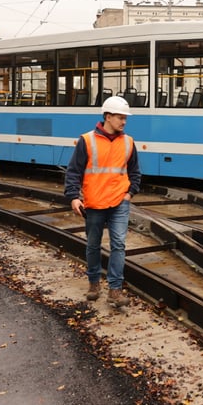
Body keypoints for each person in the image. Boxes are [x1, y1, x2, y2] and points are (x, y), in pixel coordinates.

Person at [64, 95, 141, 308]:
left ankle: (115, 290)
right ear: (107, 116)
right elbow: (73, 172)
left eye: (125, 118)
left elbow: (135, 172)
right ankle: (94, 283)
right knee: (93, 245)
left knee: (119, 245)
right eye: (120, 117)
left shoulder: (128, 142)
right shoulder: (87, 140)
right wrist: (73, 197)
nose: (124, 122)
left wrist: (130, 194)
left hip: (119, 202)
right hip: (94, 203)